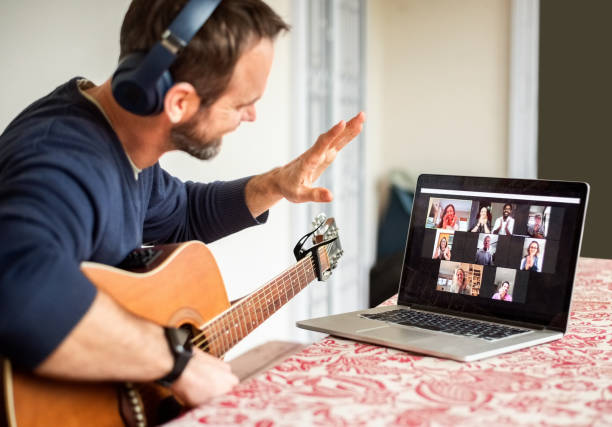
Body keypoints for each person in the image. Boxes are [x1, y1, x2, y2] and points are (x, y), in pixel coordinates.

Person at [0, 0, 365, 408]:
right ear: (177, 102)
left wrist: (276, 183)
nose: (252, 116)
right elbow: (20, 291)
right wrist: (176, 363)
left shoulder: (120, 145)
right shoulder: (62, 162)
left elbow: (184, 213)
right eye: (241, 103)